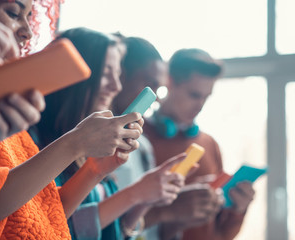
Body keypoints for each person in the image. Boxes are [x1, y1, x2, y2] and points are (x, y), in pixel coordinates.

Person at [0, 1, 142, 239]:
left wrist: (94, 170)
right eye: (13, 13)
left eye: (29, 17)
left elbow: (38, 215)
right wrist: (74, 144)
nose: (27, 32)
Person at [31, 28, 186, 240]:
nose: (116, 86)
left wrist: (144, 201)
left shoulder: (94, 145)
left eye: (118, 75)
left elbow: (112, 231)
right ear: (74, 76)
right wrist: (135, 194)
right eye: (106, 74)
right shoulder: (34, 143)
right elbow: (44, 227)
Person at [143, 48, 256, 240]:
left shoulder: (209, 144)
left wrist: (238, 210)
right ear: (169, 82)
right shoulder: (138, 136)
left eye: (206, 97)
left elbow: (220, 234)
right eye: (194, 95)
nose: (200, 105)